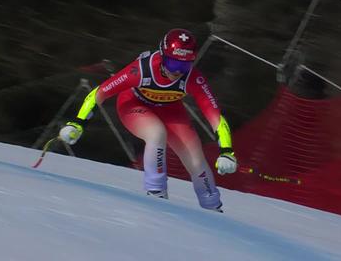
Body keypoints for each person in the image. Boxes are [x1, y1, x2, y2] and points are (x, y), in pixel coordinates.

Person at [57, 29, 237, 212]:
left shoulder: (194, 78)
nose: (177, 72)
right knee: (156, 134)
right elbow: (99, 93)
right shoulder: (142, 69)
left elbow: (215, 116)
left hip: (171, 110)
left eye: (184, 66)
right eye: (172, 63)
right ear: (162, 55)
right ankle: (156, 193)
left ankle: (212, 207)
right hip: (134, 105)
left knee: (196, 157)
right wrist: (78, 123)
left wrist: (226, 151)